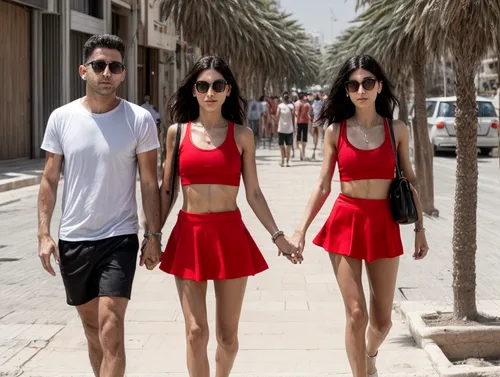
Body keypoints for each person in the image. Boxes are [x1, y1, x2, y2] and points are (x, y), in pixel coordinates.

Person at [154, 56, 301, 377]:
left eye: (217, 86)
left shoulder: (242, 135)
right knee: (195, 333)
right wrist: (153, 236)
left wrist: (280, 237)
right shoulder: (176, 133)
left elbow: (255, 194)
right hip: (189, 236)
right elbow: (168, 191)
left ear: (228, 90)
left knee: (227, 338)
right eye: (203, 86)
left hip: (230, 237)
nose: (210, 92)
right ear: (193, 90)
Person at [290, 55, 429, 377]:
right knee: (356, 314)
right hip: (346, 221)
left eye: (368, 82)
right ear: (347, 91)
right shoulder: (335, 131)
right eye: (353, 84)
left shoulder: (396, 130)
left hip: (382, 222)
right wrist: (300, 231)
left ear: (379, 86)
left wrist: (420, 228)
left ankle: (369, 355)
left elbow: (410, 180)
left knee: (382, 322)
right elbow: (323, 184)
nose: (361, 89)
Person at [37, 34, 162, 377]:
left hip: (119, 238)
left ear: (123, 74)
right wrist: (43, 233)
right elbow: (49, 179)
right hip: (74, 239)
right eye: (99, 65)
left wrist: (154, 234)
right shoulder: (61, 118)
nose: (106, 72)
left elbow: (149, 182)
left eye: (115, 66)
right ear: (83, 71)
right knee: (93, 332)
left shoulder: (139, 119)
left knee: (111, 328)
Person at [276, 93, 295, 167]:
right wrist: (294, 127)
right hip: (289, 129)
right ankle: (288, 161)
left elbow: (277, 116)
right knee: (288, 146)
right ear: (288, 99)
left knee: (281, 146)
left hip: (281, 129)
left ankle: (282, 160)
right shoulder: (291, 106)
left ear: (283, 99)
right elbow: (293, 117)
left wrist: (276, 125)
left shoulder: (279, 106)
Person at [296, 93, 312, 160]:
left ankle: (301, 153)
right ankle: (303, 154)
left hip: (299, 122)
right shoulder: (308, 104)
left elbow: (296, 114)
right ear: (303, 97)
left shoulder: (297, 103)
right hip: (305, 123)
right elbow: (309, 114)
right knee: (304, 139)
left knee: (299, 139)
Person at [311, 93, 324, 159]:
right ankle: (316, 146)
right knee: (316, 134)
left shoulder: (317, 103)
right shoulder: (319, 103)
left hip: (316, 119)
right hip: (317, 119)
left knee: (315, 134)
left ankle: (316, 147)